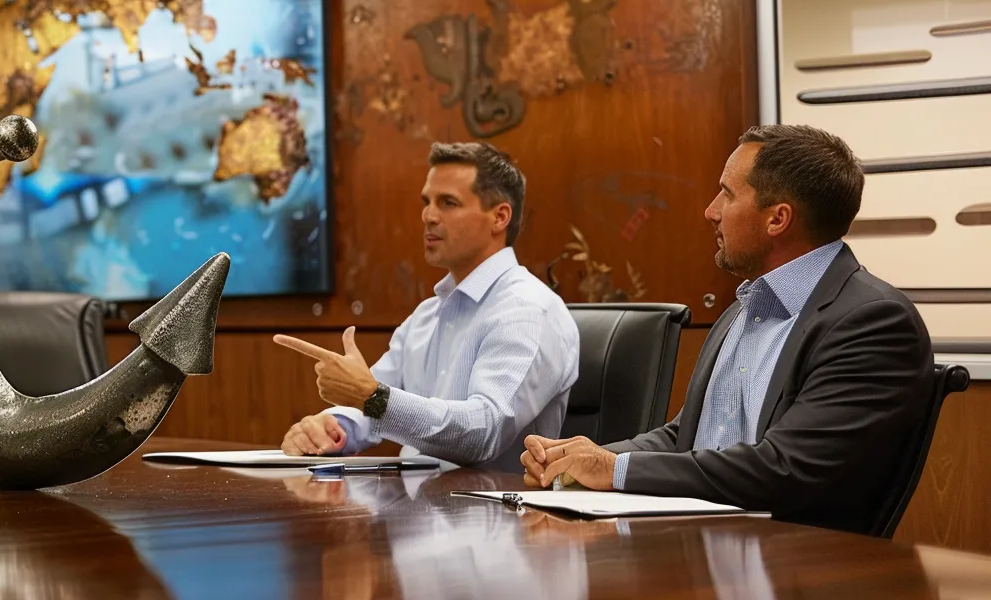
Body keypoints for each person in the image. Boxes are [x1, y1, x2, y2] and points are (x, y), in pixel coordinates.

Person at [521, 124, 929, 534]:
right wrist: (577, 461)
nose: (711, 211)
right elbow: (686, 437)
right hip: (702, 543)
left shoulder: (872, 321)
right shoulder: (745, 307)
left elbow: (784, 468)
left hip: (795, 557)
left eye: (727, 194)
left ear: (778, 219)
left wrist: (613, 469)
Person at [276, 142, 579, 472]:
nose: (428, 216)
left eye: (448, 203)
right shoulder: (425, 315)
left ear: (499, 217)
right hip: (413, 500)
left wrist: (372, 398)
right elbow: (371, 399)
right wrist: (328, 427)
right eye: (427, 202)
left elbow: (485, 433)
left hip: (491, 503)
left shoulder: (527, 311)